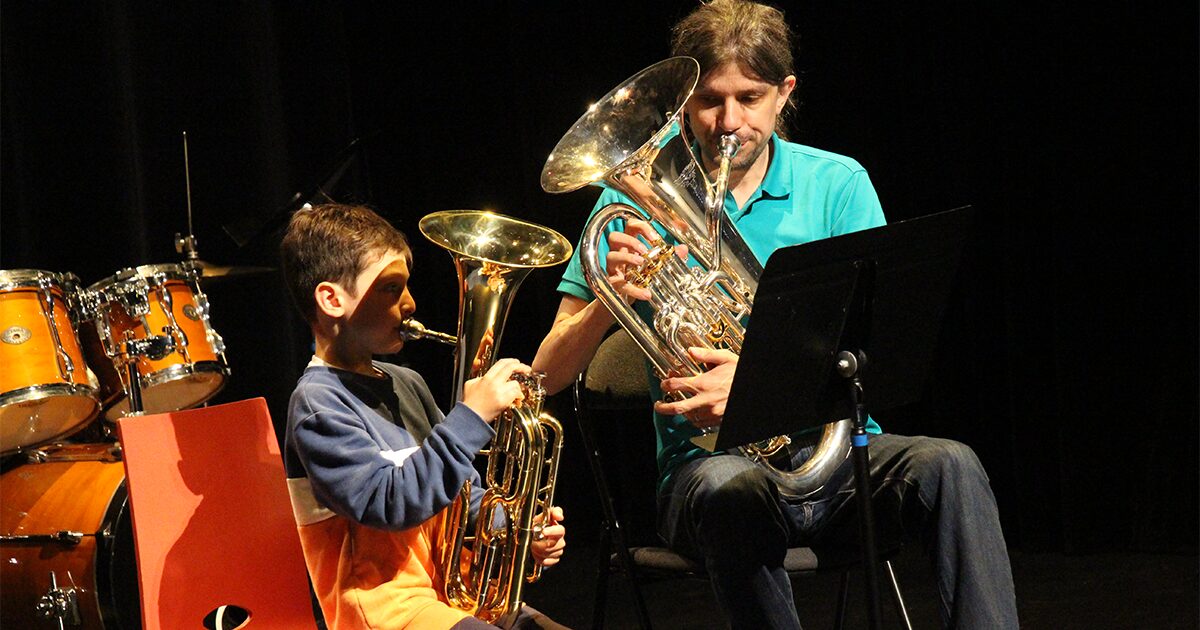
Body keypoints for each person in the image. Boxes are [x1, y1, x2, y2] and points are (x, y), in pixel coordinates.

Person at [532, 1, 1018, 628]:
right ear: (682, 102)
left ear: (784, 93)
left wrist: (756, 387)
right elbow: (547, 376)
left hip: (837, 460)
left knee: (952, 465)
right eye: (709, 100)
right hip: (708, 472)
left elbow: (876, 352)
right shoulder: (628, 201)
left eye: (750, 98)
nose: (728, 121)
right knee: (733, 489)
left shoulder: (836, 185)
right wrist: (610, 299)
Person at [280, 203, 569, 629]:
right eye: (390, 289)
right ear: (332, 300)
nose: (410, 303)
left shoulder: (407, 382)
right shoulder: (318, 404)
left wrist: (518, 529)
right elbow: (390, 503)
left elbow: (459, 494)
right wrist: (471, 417)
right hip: (385, 609)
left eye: (406, 286)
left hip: (450, 592)